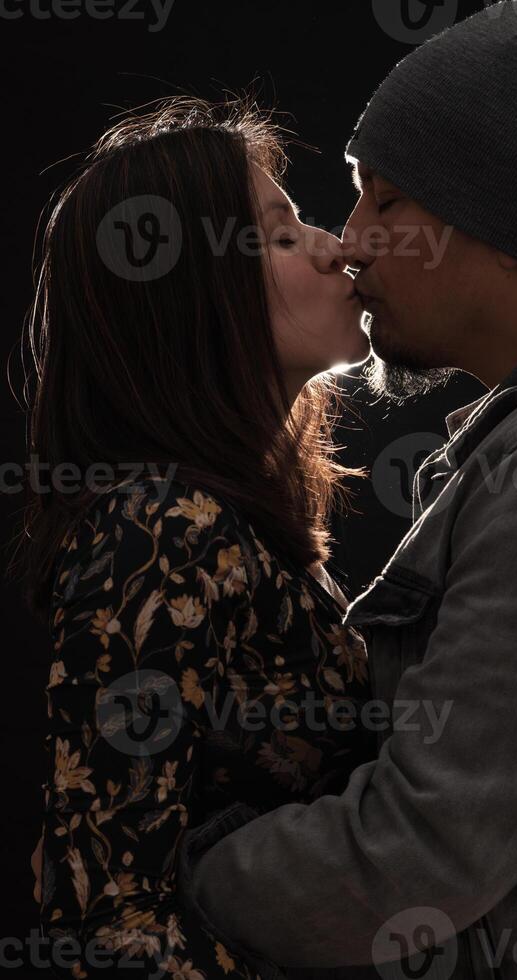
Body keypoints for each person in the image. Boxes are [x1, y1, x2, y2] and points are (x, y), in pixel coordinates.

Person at [177, 3, 517, 978]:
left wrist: (184, 872)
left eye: (386, 203)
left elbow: (408, 863)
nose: (348, 244)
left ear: (511, 226)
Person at [19, 94, 379, 978]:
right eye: (285, 235)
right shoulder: (156, 529)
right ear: (194, 292)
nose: (342, 249)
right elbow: (104, 920)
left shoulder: (236, 517)